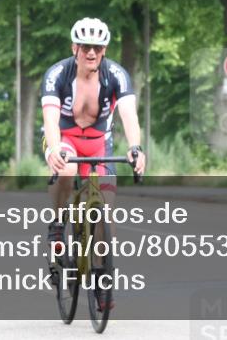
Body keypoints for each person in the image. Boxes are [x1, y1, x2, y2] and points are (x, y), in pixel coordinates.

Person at [41, 16, 146, 300]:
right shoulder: (57, 74)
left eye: (97, 48)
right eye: (86, 46)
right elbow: (50, 120)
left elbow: (128, 115)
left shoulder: (116, 75)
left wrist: (135, 148)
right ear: (74, 47)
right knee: (64, 170)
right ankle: (57, 223)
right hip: (64, 137)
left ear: (105, 50)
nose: (91, 53)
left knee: (105, 213)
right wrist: (55, 150)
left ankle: (101, 274)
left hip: (99, 143)